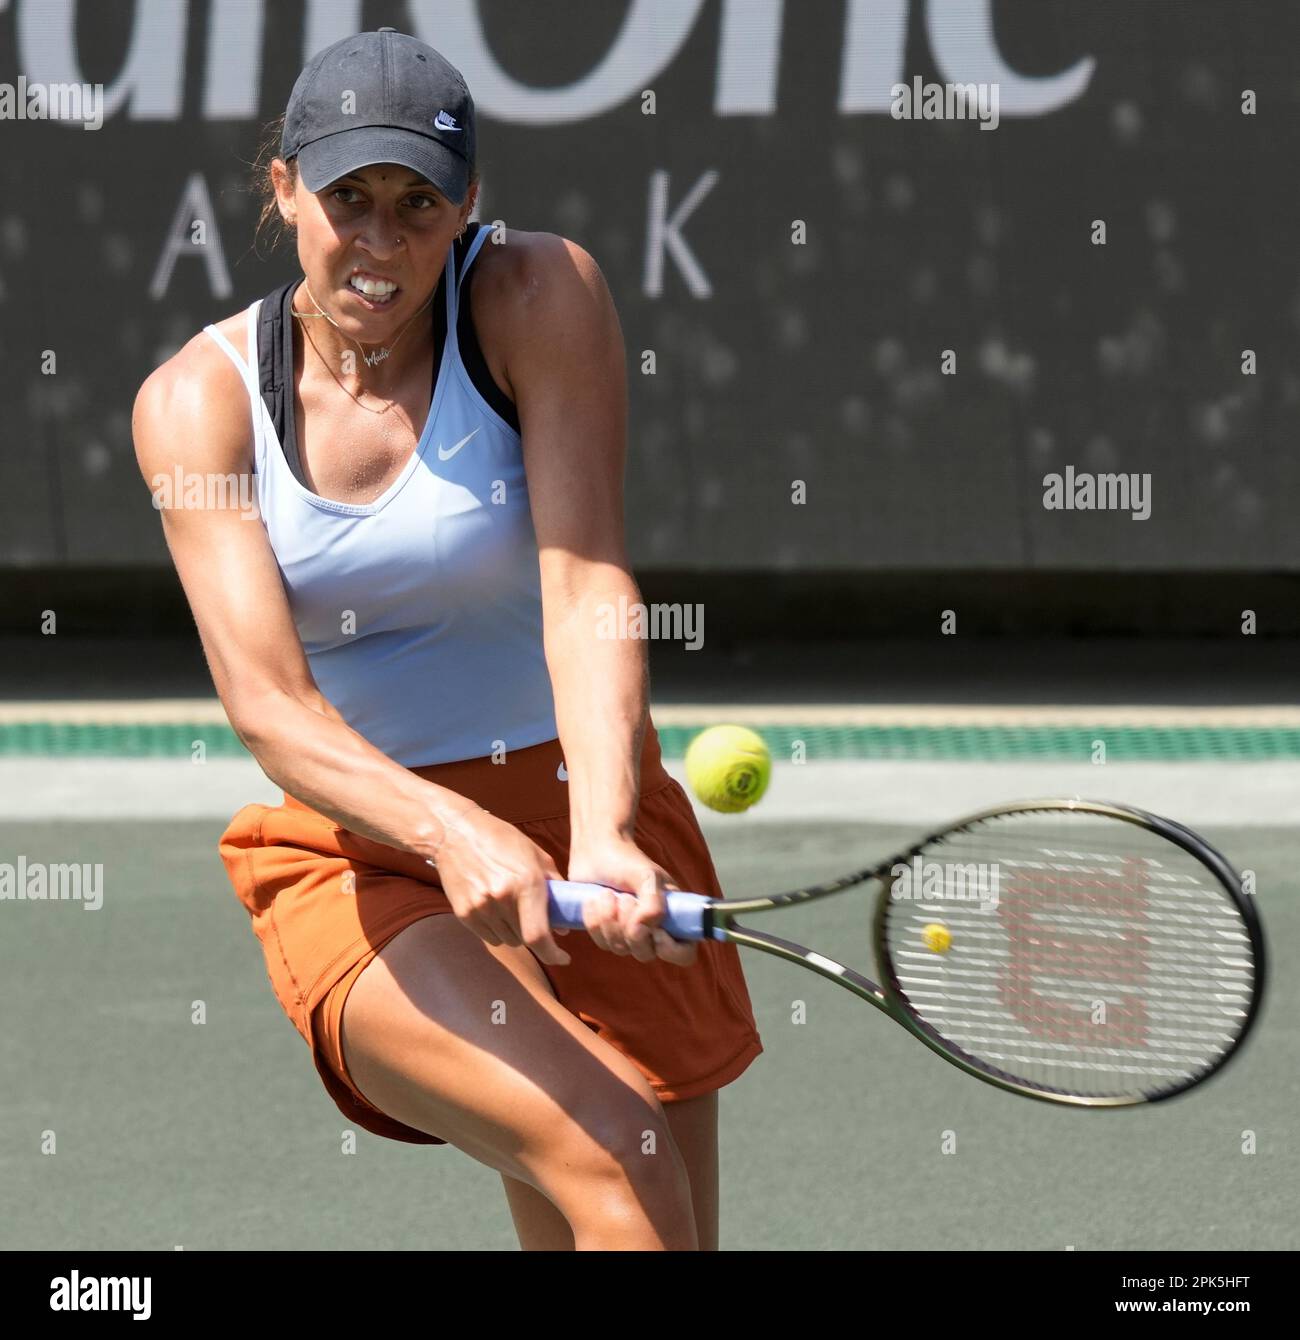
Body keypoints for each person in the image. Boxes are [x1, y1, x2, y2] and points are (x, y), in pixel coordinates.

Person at [131, 28, 762, 1251]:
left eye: (418, 203)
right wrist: (447, 828)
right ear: (283, 189)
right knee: (614, 1150)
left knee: (655, 1223)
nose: (381, 240)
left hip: (585, 809)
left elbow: (583, 577)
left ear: (468, 203)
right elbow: (271, 708)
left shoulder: (536, 295)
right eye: (347, 198)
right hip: (362, 853)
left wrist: (605, 829)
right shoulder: (195, 405)